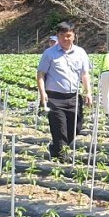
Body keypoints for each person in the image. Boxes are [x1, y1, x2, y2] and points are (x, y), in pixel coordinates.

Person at [36, 21, 92, 160]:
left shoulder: (80, 52)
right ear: (57, 36)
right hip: (54, 98)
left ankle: (55, 148)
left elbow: (84, 74)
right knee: (59, 128)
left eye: (68, 35)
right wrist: (43, 94)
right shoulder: (49, 53)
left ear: (74, 36)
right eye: (62, 35)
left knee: (76, 127)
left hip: (73, 97)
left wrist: (88, 92)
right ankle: (62, 158)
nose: (65, 39)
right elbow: (40, 74)